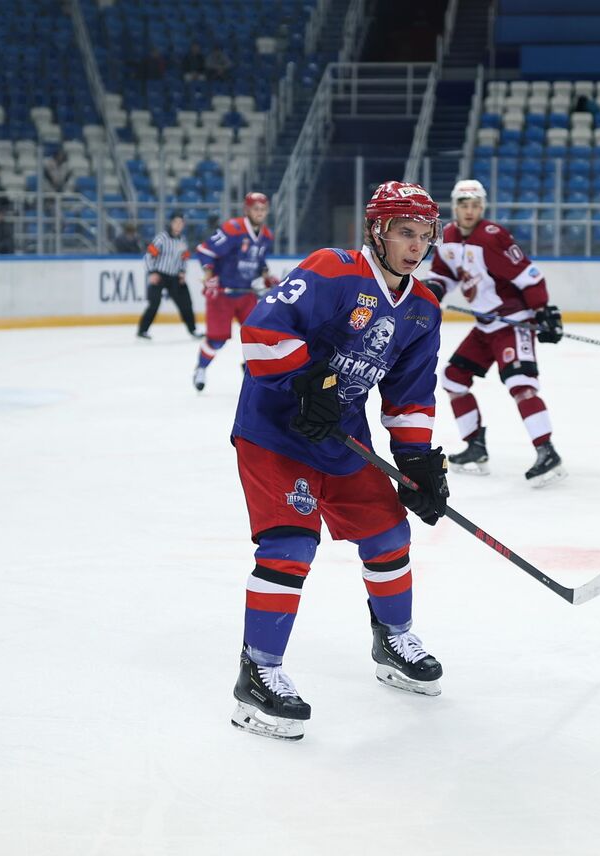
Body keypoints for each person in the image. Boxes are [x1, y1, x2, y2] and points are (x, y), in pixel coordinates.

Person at [228, 181, 449, 741]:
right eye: (405, 232)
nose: (415, 246)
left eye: (424, 236)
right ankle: (259, 671)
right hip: (276, 432)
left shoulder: (422, 310)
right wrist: (304, 380)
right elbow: (261, 330)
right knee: (290, 543)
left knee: (388, 534)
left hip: (342, 438)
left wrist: (417, 461)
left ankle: (393, 639)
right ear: (378, 230)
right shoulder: (334, 268)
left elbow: (410, 395)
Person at [425, 179, 567, 487]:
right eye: (464, 204)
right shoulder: (446, 236)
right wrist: (433, 291)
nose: (470, 210)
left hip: (513, 321)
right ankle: (475, 445)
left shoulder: (493, 237)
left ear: (482, 207)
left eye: (476, 205)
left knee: (521, 384)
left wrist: (543, 311)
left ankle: (546, 450)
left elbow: (529, 276)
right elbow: (442, 275)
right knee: (452, 378)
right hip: (485, 324)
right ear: (455, 206)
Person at [191, 191, 278, 391]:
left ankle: (248, 369)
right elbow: (205, 251)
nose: (260, 213)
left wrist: (265, 274)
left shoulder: (266, 235)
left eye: (263, 209)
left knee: (257, 336)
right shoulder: (233, 229)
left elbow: (258, 260)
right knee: (217, 339)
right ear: (247, 210)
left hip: (246, 294)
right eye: (256, 209)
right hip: (222, 294)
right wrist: (209, 274)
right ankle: (201, 368)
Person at [138, 213, 198, 339]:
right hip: (159, 275)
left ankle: (193, 330)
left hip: (175, 277)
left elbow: (184, 257)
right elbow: (149, 255)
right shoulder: (162, 238)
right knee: (154, 303)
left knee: (186, 303)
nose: (178, 225)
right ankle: (142, 330)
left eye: (181, 223)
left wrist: (182, 272)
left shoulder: (182, 240)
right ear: (171, 223)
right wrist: (152, 272)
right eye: (176, 222)